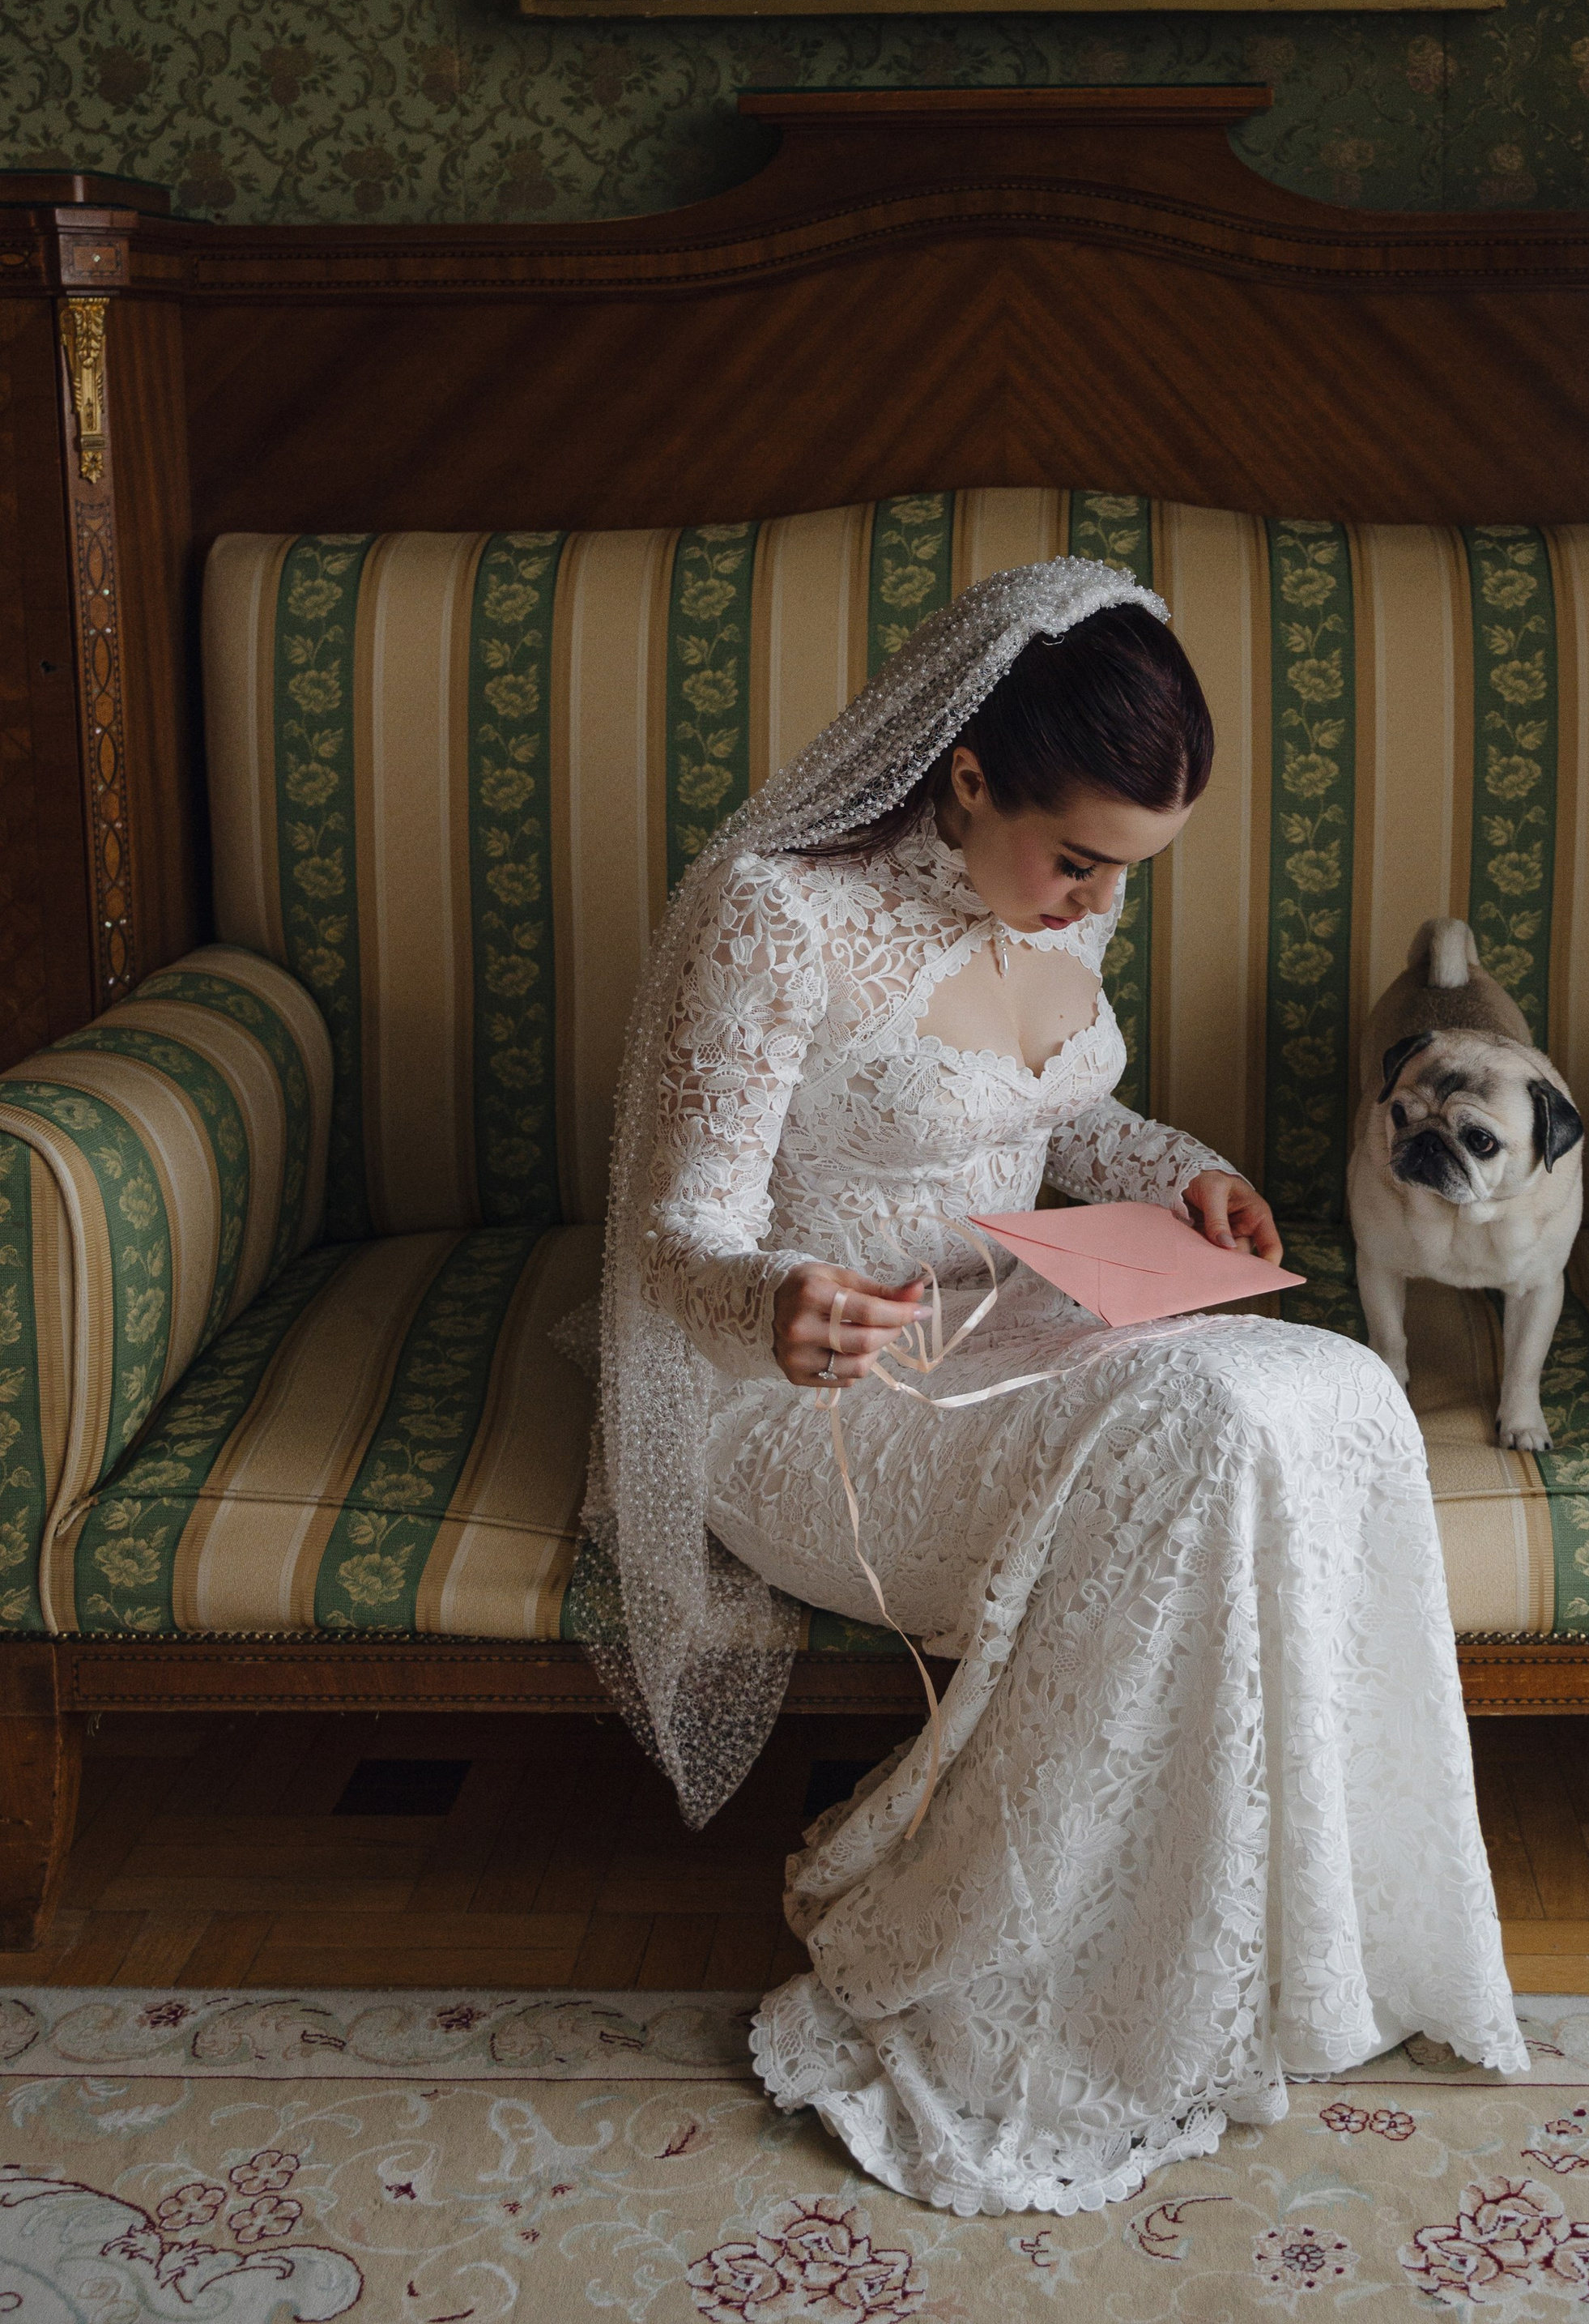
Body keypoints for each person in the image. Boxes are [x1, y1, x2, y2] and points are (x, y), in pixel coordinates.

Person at [587, 559, 1523, 2220]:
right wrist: (775, 1301)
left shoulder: (1058, 890)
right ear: (965, 774)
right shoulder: (773, 913)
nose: (1094, 898)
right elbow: (677, 1235)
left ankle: (1281, 1942)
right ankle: (1008, 1972)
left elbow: (1054, 1111)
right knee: (1204, 1424)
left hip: (1012, 1331)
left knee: (1334, 1395)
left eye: (1124, 871)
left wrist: (1182, 1173)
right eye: (1080, 859)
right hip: (806, 1398)